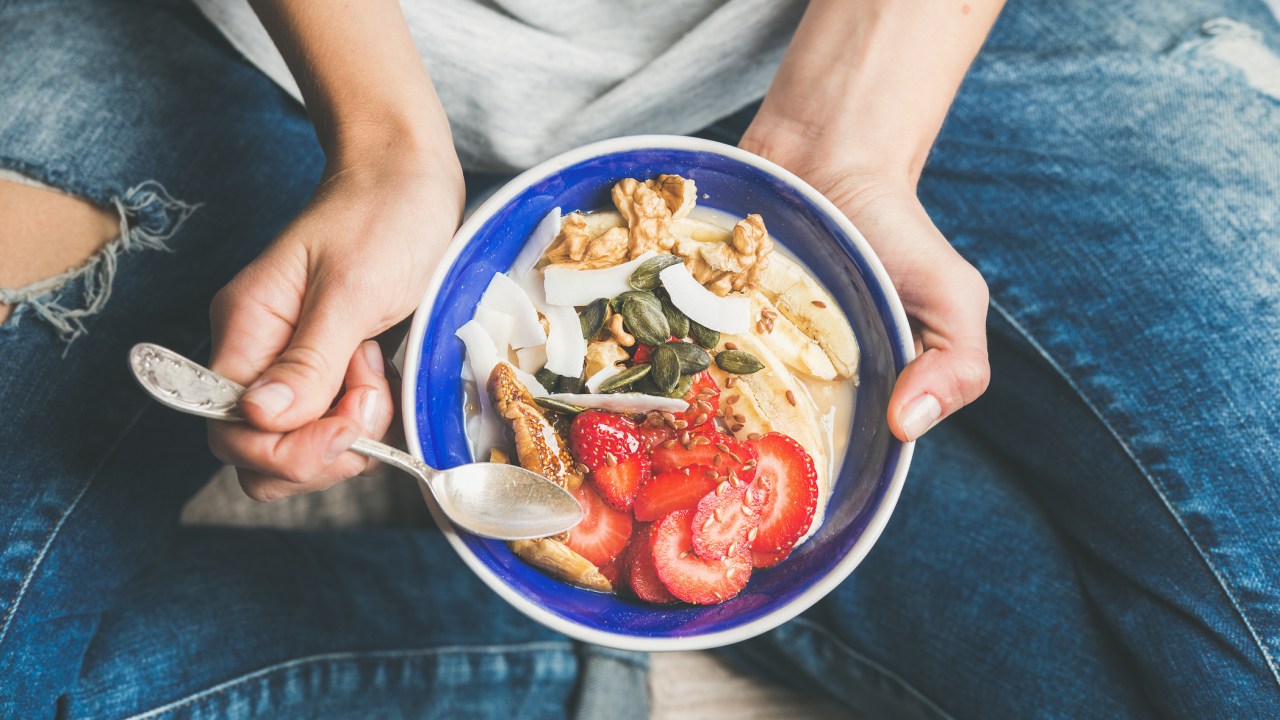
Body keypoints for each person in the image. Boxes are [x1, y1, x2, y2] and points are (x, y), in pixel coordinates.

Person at [1, 0, 1277, 716]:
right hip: (269, 46)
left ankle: (798, 558)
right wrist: (383, 133)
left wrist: (854, 122)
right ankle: (577, 657)